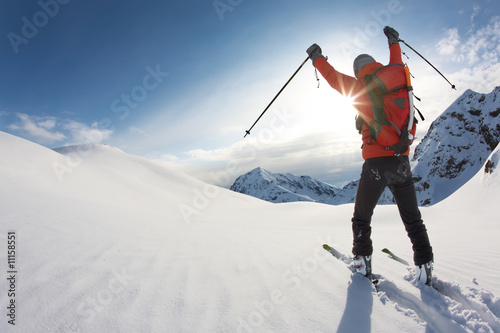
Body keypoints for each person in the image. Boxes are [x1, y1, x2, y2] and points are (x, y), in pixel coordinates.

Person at [306, 26, 434, 285]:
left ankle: (362, 264)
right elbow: (397, 57)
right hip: (401, 160)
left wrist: (316, 57)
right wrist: (393, 40)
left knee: (362, 217)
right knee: (412, 218)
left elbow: (332, 77)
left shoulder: (358, 86)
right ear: (374, 64)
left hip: (376, 162)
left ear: (357, 70)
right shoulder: (394, 75)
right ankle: (425, 267)